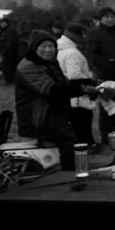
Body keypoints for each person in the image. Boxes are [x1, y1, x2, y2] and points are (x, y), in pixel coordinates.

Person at [15, 31, 99, 170]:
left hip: (55, 112)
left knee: (73, 140)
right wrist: (83, 90)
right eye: (44, 46)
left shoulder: (50, 63)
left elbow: (65, 84)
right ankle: (69, 176)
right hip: (39, 116)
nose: (48, 50)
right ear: (35, 48)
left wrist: (89, 84)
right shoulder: (28, 66)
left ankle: (72, 173)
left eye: (51, 46)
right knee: (67, 144)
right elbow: (52, 90)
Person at [85, 7, 115, 143]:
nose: (110, 19)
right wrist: (108, 66)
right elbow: (92, 56)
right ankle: (107, 138)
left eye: (112, 16)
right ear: (100, 19)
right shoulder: (94, 34)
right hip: (105, 77)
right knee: (108, 109)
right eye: (106, 17)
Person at [56, 24, 98, 147]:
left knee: (75, 121)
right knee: (83, 119)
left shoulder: (61, 48)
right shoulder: (72, 52)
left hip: (69, 92)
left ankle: (81, 144)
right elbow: (74, 75)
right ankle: (86, 144)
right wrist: (90, 81)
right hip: (78, 92)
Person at [0, 16, 21, 84]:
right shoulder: (8, 30)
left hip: (10, 52)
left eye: (3, 22)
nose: (1, 24)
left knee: (8, 66)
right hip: (10, 52)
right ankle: (10, 80)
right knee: (9, 66)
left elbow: (11, 42)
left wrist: (5, 50)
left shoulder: (10, 30)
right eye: (1, 22)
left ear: (7, 23)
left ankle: (9, 80)